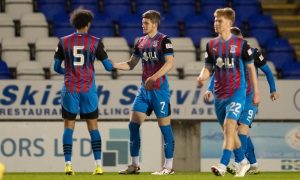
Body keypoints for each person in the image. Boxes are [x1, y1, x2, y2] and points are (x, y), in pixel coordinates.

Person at [204, 26, 279, 175]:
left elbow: (268, 71)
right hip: (234, 97)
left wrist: (273, 90)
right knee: (235, 132)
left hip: (249, 99)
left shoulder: (252, 52)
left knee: (242, 130)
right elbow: (216, 73)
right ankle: (253, 163)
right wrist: (209, 88)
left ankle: (236, 164)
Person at [197, 8, 260, 177]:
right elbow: (209, 67)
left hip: (237, 92)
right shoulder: (211, 45)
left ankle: (223, 165)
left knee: (229, 126)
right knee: (229, 132)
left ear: (229, 23)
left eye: (220, 21)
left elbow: (251, 69)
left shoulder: (241, 45)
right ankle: (243, 162)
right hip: (219, 95)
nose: (216, 23)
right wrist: (202, 76)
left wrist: (256, 93)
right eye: (215, 20)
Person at [113, 10, 175, 175]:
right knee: (133, 125)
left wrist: (153, 78)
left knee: (165, 128)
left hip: (159, 91)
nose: (143, 25)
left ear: (154, 24)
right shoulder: (140, 41)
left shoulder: (164, 40)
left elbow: (169, 63)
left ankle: (168, 167)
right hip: (144, 91)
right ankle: (134, 165)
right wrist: (114, 65)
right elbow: (131, 64)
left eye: (146, 23)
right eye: (142, 22)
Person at [53, 8, 113, 175]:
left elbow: (56, 67)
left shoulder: (63, 41)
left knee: (68, 128)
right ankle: (99, 166)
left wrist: (69, 72)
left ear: (75, 24)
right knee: (93, 128)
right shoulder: (95, 42)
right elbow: (108, 67)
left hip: (70, 89)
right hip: (88, 89)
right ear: (88, 24)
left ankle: (68, 165)